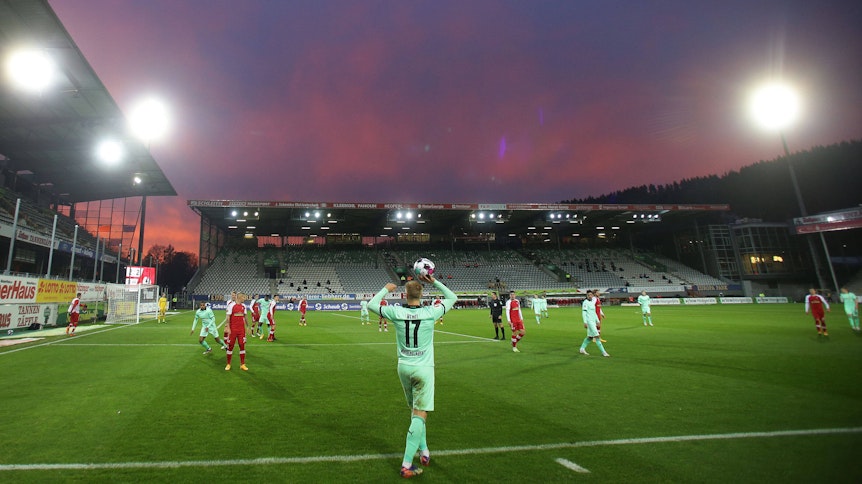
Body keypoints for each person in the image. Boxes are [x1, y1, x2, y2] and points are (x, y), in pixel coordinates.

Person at [368, 273, 457, 479]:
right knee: (420, 413)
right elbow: (452, 297)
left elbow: (371, 305)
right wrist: (434, 281)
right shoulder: (430, 312)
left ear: (405, 295)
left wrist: (386, 289)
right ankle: (406, 464)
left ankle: (424, 452)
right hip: (423, 368)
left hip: (404, 367)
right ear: (422, 294)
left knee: (416, 411)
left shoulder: (396, 312)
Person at [580, 291, 610, 357]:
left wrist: (597, 321)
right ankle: (604, 352)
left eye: (591, 295)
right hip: (589, 322)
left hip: (593, 321)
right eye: (588, 295)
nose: (590, 296)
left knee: (590, 337)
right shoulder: (585, 302)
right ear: (587, 296)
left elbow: (594, 313)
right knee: (597, 336)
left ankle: (582, 348)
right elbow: (584, 313)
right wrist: (585, 322)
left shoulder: (592, 303)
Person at [224, 293, 250, 371]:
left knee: (242, 345)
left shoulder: (244, 306)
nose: (244, 298)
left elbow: (245, 316)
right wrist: (228, 327)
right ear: (239, 297)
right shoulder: (231, 305)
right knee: (230, 346)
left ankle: (242, 364)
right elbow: (228, 317)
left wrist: (248, 326)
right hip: (233, 330)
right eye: (244, 297)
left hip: (241, 330)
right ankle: (228, 364)